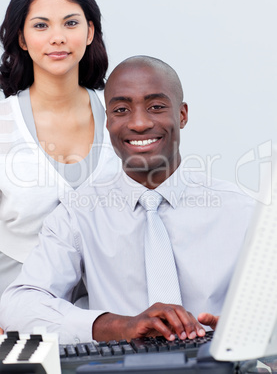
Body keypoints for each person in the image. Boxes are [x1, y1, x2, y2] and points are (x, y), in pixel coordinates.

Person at [0, 56, 254, 344]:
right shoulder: (78, 214)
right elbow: (18, 305)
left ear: (182, 115)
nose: (140, 123)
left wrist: (251, 328)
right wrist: (117, 326)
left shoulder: (242, 211)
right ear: (108, 123)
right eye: (121, 110)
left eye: (156, 107)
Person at [0, 0, 119, 299]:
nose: (58, 37)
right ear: (22, 39)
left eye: (70, 23)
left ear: (90, 31)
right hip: (15, 321)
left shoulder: (121, 117)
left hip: (113, 320)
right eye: (41, 25)